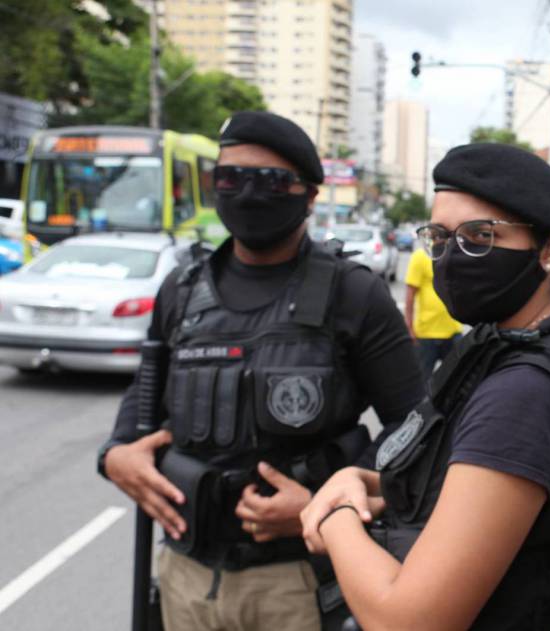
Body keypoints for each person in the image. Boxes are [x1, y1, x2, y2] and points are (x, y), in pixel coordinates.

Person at [97, 111, 425, 631]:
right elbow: (146, 393)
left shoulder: (353, 293)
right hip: (186, 576)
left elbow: (416, 431)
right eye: (230, 178)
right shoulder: (182, 290)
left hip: (299, 583)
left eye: (270, 180)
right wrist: (115, 454)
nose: (248, 194)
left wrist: (328, 506)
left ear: (309, 195)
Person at [300, 143, 550, 630]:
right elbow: (453, 484)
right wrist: (359, 480)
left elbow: (409, 622)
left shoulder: (523, 393)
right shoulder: (499, 349)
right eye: (439, 237)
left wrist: (334, 516)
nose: (453, 256)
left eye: (480, 236)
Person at [404, 245, 464, 379]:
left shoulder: (455, 255)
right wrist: (409, 327)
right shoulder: (420, 256)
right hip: (425, 335)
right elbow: (410, 294)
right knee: (421, 382)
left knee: (456, 380)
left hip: (453, 332)